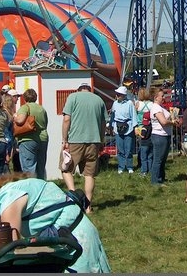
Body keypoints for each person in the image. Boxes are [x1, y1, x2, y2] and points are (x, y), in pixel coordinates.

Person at [0, 172, 111, 273]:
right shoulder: (6, 193)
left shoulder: (7, 198)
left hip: (76, 242)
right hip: (68, 240)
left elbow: (10, 247)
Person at [60, 82, 107, 210]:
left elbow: (66, 120)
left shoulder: (73, 97)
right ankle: (88, 206)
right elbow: (103, 124)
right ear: (89, 90)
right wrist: (101, 140)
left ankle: (74, 197)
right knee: (89, 175)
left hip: (75, 140)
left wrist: (64, 139)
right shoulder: (99, 100)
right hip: (94, 141)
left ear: (79, 90)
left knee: (66, 169)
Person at [15, 88, 49, 179]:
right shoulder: (41, 108)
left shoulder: (25, 107)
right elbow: (45, 123)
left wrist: (14, 116)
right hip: (43, 138)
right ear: (36, 97)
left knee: (29, 167)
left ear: (24, 98)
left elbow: (20, 120)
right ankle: (41, 186)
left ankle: (31, 188)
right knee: (40, 167)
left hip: (28, 139)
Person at [148, 87, 179, 186]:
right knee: (158, 159)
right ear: (156, 97)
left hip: (164, 135)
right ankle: (155, 181)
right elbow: (164, 122)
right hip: (159, 136)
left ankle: (161, 178)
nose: (163, 98)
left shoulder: (160, 107)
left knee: (162, 159)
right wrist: (173, 122)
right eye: (162, 96)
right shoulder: (156, 108)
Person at [109, 85, 137, 174]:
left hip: (128, 127)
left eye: (118, 94)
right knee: (120, 149)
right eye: (117, 94)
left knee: (128, 149)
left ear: (123, 95)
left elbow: (133, 115)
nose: (117, 95)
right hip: (118, 127)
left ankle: (129, 167)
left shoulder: (129, 104)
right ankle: (121, 167)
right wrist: (112, 126)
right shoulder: (115, 103)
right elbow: (113, 116)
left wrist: (134, 127)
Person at [134, 88, 154, 176]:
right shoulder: (151, 104)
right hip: (150, 127)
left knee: (142, 147)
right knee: (150, 148)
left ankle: (143, 170)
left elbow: (135, 113)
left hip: (140, 127)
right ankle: (150, 168)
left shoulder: (138, 104)